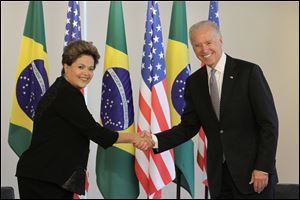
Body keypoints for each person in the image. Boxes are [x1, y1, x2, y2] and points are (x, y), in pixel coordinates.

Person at [146, 20, 279, 199]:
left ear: (220, 40)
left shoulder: (248, 72)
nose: (204, 50)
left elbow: (269, 124)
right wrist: (154, 140)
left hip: (253, 176)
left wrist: (263, 167)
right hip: (219, 177)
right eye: (197, 45)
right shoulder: (194, 82)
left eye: (208, 43)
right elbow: (188, 127)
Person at [16, 40, 152, 199]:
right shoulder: (66, 95)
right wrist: (134, 137)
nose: (86, 73)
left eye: (91, 68)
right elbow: (96, 133)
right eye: (80, 67)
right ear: (66, 67)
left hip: (49, 175)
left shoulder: (65, 89)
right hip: (43, 178)